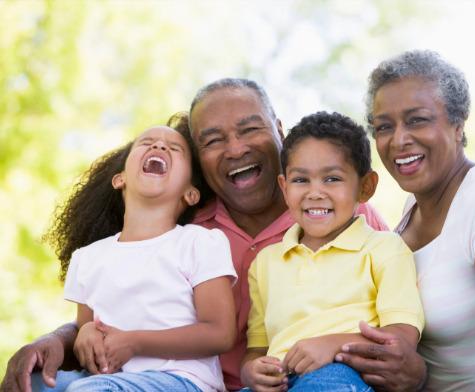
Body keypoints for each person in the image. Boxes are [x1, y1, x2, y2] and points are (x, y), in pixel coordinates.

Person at [1, 78, 388, 392]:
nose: (235, 148)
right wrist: (56, 340)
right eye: (213, 140)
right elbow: (106, 314)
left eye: (250, 129)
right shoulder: (186, 231)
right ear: (199, 162)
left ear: (279, 132)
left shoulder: (344, 216)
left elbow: (402, 312)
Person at [335, 50, 475, 391]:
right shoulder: (413, 208)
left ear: (458, 124)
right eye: (384, 126)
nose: (398, 140)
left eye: (417, 120)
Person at [31, 124, 237, 392]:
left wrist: (135, 342)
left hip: (180, 379)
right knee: (33, 382)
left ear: (191, 193)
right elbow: (86, 327)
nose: (159, 146)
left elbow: (220, 334)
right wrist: (86, 335)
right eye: (146, 142)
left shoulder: (199, 242)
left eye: (174, 149)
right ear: (120, 179)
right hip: (106, 379)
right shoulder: (88, 257)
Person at [240, 112, 424, 392]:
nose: (315, 192)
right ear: (284, 186)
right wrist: (251, 372)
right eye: (301, 180)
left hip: (346, 372)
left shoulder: (384, 249)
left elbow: (401, 339)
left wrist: (334, 344)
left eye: (332, 179)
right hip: (281, 379)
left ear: (365, 187)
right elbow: (258, 348)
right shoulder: (265, 262)